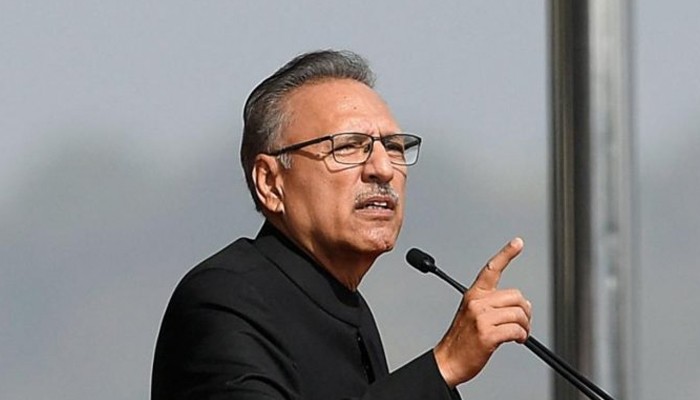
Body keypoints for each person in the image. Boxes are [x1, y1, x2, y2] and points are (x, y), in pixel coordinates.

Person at [151, 50, 532, 400]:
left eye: (393, 147)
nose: (383, 168)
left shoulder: (348, 307)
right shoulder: (225, 297)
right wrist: (443, 366)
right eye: (348, 146)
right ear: (270, 182)